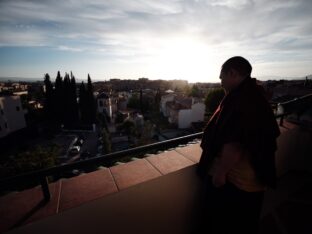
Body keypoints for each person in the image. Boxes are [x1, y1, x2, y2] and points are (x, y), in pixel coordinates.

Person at [194, 56, 280, 234]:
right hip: (249, 181)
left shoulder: (241, 100)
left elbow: (234, 143)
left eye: (221, 77)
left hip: (235, 181)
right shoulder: (254, 95)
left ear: (232, 73)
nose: (221, 83)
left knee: (223, 224)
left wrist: (220, 174)